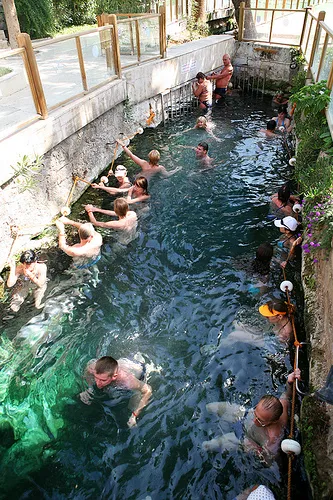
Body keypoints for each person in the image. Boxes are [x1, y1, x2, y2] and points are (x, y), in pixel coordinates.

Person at [203, 369, 301, 463]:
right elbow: (286, 395)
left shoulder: (273, 437)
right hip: (244, 416)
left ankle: (211, 445)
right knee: (210, 407)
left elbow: (270, 460)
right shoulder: (278, 404)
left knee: (211, 445)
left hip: (246, 439)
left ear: (273, 421)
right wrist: (289, 381)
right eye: (255, 414)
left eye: (260, 420)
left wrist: (254, 449)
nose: (254, 420)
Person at [80, 356, 152, 428]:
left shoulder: (127, 381)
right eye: (96, 377)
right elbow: (88, 371)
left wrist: (134, 415)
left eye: (103, 380)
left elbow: (148, 390)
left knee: (132, 405)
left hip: (139, 368)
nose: (98, 383)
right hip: (121, 363)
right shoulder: (93, 368)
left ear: (114, 377)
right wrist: (88, 389)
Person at [116, 139, 181, 179]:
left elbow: (131, 155)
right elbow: (166, 175)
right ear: (158, 159)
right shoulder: (160, 168)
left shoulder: (144, 163)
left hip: (136, 178)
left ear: (149, 157)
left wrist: (123, 145)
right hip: (144, 182)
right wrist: (176, 170)